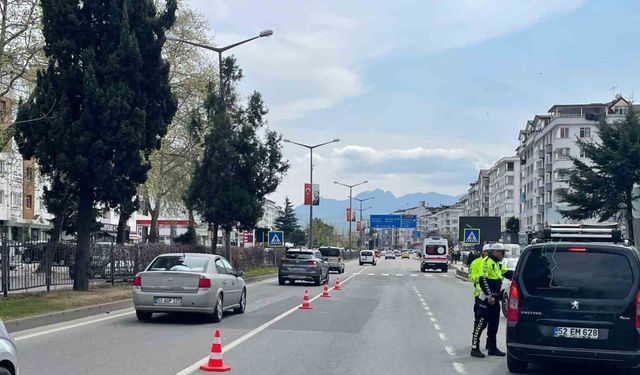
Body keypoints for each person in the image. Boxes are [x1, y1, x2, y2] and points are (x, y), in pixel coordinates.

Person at [471, 243, 514, 358]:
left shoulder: (498, 264)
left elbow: (508, 274)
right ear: (495, 252)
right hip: (485, 299)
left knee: (494, 324)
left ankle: (492, 348)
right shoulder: (486, 262)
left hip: (495, 298)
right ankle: (474, 348)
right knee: (481, 324)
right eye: (502, 252)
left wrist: (520, 275)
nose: (503, 255)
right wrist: (489, 295)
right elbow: (482, 279)